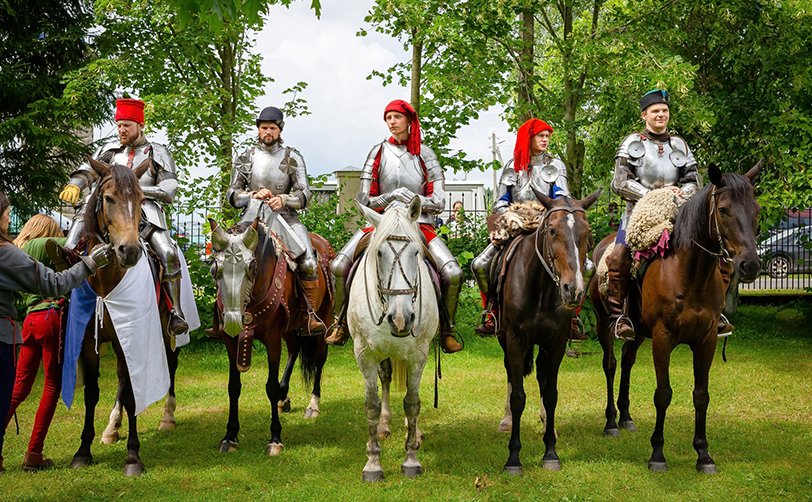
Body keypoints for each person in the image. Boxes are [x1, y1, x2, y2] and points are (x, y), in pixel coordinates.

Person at [0, 191, 110, 501]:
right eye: (6, 213)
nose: (9, 219)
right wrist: (89, 263)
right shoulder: (3, 252)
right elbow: (53, 285)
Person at [325, 100, 464, 353]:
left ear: (409, 121)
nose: (392, 122)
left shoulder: (425, 154)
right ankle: (340, 323)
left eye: (397, 117)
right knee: (338, 265)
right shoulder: (377, 152)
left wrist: (412, 200)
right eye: (388, 117)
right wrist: (392, 197)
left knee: (453, 273)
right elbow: (365, 199)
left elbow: (440, 201)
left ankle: (447, 329)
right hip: (381, 224)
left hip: (418, 224)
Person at [57, 98, 189, 337]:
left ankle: (175, 313)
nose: (121, 130)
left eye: (127, 125)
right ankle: (64, 294)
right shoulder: (109, 151)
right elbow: (87, 171)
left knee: (168, 253)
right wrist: (75, 184)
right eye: (119, 125)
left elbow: (169, 190)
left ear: (140, 125)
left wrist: (132, 191)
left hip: (145, 211)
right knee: (75, 233)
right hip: (109, 211)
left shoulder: (156, 152)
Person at [605, 89, 703, 340]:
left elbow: (694, 179)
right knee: (617, 259)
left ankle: (712, 311)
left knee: (712, 252)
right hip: (638, 215)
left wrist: (679, 194)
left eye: (665, 111)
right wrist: (653, 195)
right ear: (644, 115)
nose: (661, 115)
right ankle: (620, 317)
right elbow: (620, 182)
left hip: (677, 212)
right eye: (656, 111)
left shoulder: (679, 144)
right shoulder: (631, 143)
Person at [221, 106, 324, 335]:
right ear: (258, 129)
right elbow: (231, 194)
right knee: (225, 256)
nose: (268, 132)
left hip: (286, 218)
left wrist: (284, 199)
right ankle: (222, 315)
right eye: (264, 127)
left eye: (273, 128)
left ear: (280, 129)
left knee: (308, 261)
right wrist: (251, 196)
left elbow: (304, 194)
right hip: (251, 219)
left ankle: (310, 316)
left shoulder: (292, 157)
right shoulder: (245, 158)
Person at [472, 118, 570, 337]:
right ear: (529, 138)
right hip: (516, 225)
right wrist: (513, 217)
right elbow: (499, 201)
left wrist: (543, 215)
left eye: (547, 136)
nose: (545, 140)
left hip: (548, 225)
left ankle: (572, 318)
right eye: (541, 136)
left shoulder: (555, 166)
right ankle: (493, 313)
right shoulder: (512, 166)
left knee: (586, 265)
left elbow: (563, 200)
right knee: (479, 264)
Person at [6, 215, 67, 472]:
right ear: (47, 231)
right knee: (52, 387)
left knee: (19, 389)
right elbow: (78, 242)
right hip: (51, 317)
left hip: (29, 321)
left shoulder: (17, 248)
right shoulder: (46, 244)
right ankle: (34, 454)